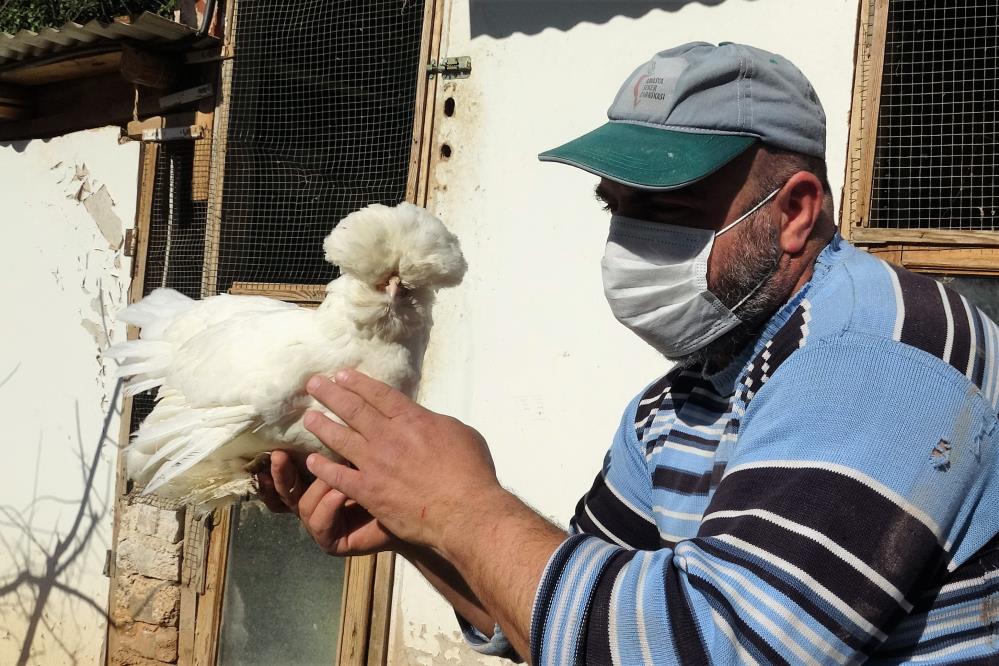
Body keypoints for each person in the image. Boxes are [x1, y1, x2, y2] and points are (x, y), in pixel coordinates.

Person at [259, 42, 999, 664]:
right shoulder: (678, 403)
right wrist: (416, 527)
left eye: (668, 210)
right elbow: (577, 631)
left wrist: (460, 508)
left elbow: (717, 650)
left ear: (795, 212)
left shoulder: (880, 355)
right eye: (620, 210)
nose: (629, 246)